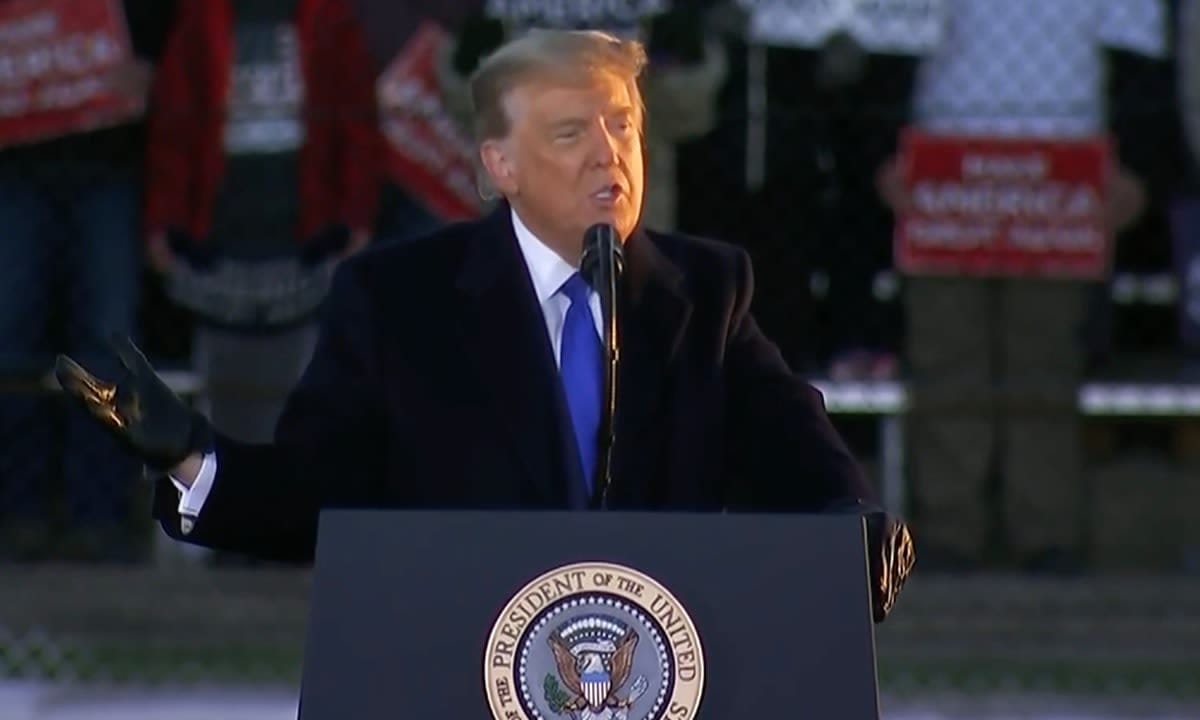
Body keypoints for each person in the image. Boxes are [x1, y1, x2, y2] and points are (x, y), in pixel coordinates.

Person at [54, 29, 914, 621]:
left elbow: (797, 450)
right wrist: (192, 458)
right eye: (572, 131)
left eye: (623, 126)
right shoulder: (397, 300)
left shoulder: (705, 292)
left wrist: (854, 524)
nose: (608, 154)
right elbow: (318, 500)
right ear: (499, 165)